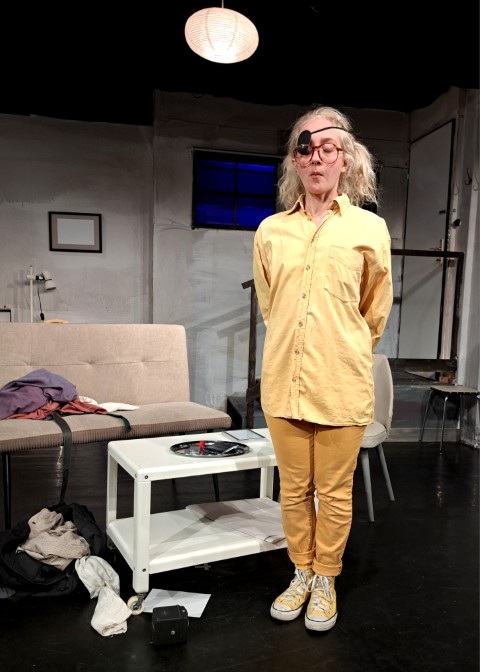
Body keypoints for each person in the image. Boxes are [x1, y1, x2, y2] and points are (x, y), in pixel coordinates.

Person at [253, 105, 393, 632]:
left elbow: (374, 309)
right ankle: (301, 572)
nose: (317, 158)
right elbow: (271, 306)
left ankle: (326, 577)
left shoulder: (369, 228)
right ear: (295, 160)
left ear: (345, 160)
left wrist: (342, 349)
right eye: (306, 148)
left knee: (333, 492)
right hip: (284, 382)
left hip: (341, 383)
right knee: (293, 490)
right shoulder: (270, 231)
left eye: (328, 149)